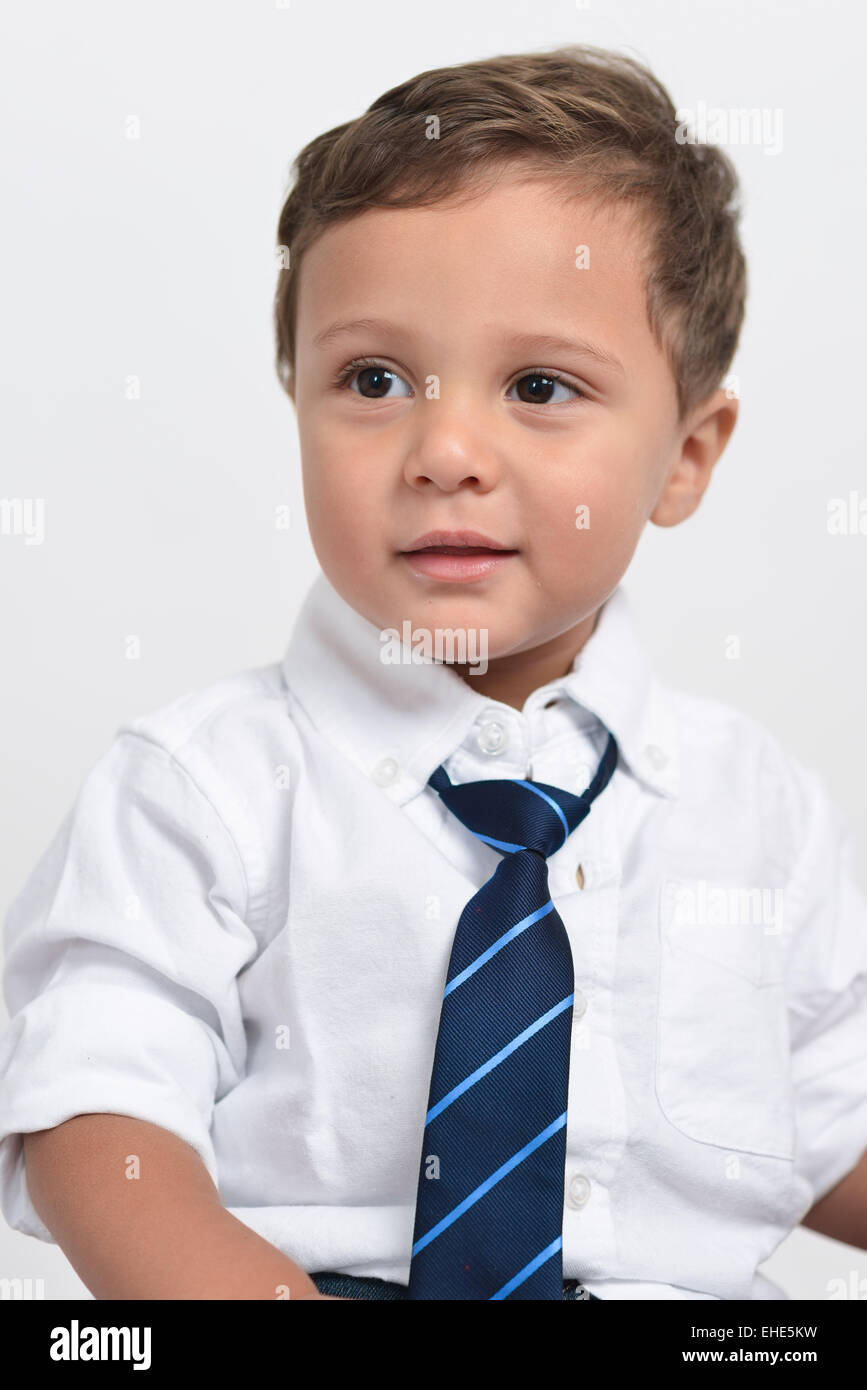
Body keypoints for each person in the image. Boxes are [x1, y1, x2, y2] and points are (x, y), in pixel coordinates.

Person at [1, 44, 865, 1302]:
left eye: (538, 386)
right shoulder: (204, 786)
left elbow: (832, 1116)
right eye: (374, 379)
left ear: (685, 453)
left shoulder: (758, 812)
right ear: (295, 396)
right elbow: (94, 1117)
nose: (445, 448)